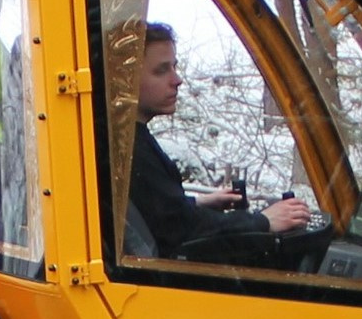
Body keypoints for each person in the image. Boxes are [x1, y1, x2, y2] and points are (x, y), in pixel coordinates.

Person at [117, 20, 322, 268]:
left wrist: (197, 203)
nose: (177, 80)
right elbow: (182, 230)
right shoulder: (132, 151)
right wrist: (264, 221)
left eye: (174, 67)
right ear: (125, 80)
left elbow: (161, 214)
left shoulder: (130, 139)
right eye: (161, 71)